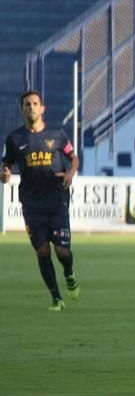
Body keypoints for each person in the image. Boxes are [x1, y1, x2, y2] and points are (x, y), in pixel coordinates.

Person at [1, 90, 80, 311]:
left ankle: (69, 274)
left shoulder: (57, 135)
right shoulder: (15, 139)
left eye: (35, 103)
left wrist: (70, 174)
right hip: (32, 204)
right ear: (22, 109)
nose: (31, 107)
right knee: (43, 251)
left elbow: (73, 158)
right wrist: (5, 173)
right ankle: (56, 298)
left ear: (42, 108)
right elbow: (5, 165)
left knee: (62, 252)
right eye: (27, 104)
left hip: (57, 202)